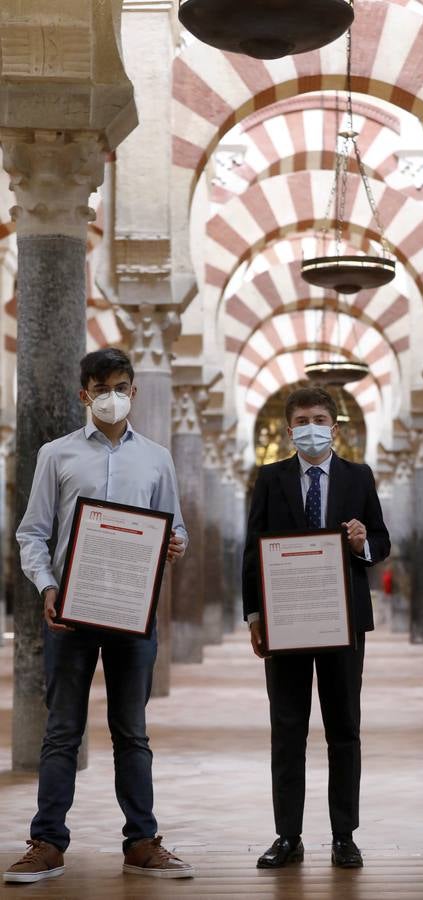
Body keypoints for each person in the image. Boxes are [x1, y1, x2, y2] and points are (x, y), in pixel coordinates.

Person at [4, 348, 193, 884]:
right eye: (101, 387)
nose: (112, 396)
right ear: (83, 393)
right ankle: (47, 842)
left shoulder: (156, 458)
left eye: (121, 386)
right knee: (62, 728)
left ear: (134, 392)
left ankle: (141, 841)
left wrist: (175, 543)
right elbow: (33, 533)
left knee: (132, 729)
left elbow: (176, 527)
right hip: (70, 612)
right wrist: (46, 586)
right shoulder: (56, 455)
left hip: (134, 613)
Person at [242, 386, 390, 870]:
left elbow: (382, 543)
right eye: (302, 419)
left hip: (342, 622)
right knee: (287, 729)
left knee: (344, 728)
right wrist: (255, 615)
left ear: (335, 427)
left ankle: (344, 835)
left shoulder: (358, 477)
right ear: (289, 430)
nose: (311, 426)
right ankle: (288, 835)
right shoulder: (270, 478)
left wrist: (362, 541)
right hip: (286, 622)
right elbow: (252, 549)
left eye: (319, 418)